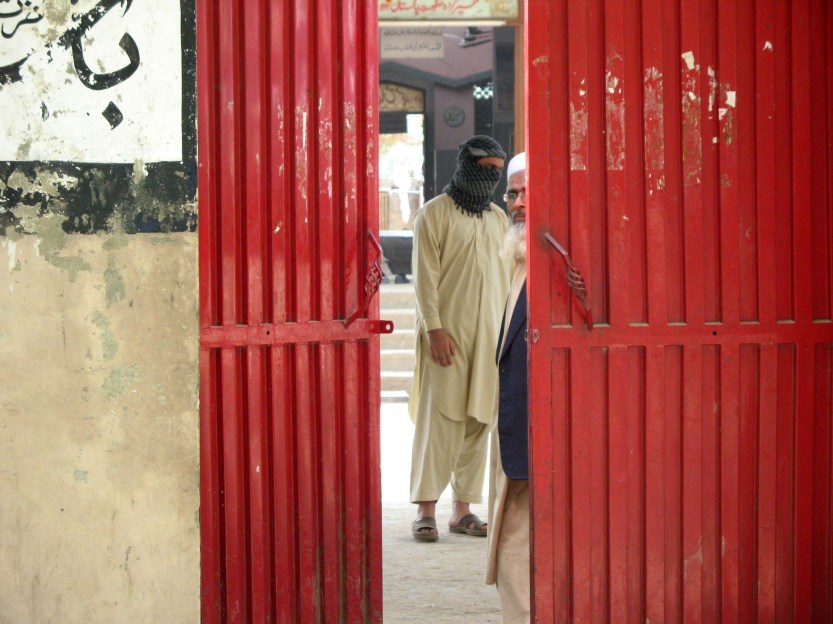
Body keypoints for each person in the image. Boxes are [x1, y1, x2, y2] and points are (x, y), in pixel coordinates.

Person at [408, 135, 510, 541]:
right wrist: (433, 327)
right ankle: (425, 508)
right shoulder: (433, 214)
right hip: (445, 336)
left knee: (478, 419)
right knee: (440, 421)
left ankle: (463, 510)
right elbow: (425, 278)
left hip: (490, 337)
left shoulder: (498, 218)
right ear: (466, 166)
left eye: (498, 174)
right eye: (485, 170)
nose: (491, 180)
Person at [486, 152, 530, 622]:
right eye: (512, 194)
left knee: (517, 544)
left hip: (541, 435)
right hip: (518, 432)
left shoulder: (555, 260)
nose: (516, 204)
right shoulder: (521, 259)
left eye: (525, 193)